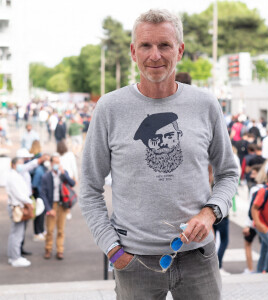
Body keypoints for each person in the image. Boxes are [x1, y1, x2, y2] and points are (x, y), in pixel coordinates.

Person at [80, 9, 239, 299]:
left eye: (164, 45)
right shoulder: (109, 108)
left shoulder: (205, 105)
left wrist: (210, 213)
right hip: (133, 261)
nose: (155, 55)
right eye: (146, 46)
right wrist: (113, 250)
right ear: (133, 51)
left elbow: (228, 173)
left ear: (179, 50)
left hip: (198, 259)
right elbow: (90, 187)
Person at [40, 154, 75, 260]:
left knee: (61, 230)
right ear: (51, 163)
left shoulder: (63, 173)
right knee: (50, 230)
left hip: (62, 205)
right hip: (52, 204)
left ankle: (60, 250)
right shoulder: (46, 176)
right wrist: (49, 209)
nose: (56, 164)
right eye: (55, 162)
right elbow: (42, 193)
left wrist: (64, 174)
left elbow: (72, 183)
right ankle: (48, 249)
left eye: (58, 162)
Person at [6, 158, 34, 267]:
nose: (21, 165)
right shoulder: (13, 176)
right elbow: (19, 193)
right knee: (17, 233)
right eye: (19, 163)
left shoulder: (15, 175)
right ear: (13, 165)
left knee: (15, 232)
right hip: (17, 206)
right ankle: (15, 258)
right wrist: (29, 202)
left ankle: (13, 255)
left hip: (17, 205)